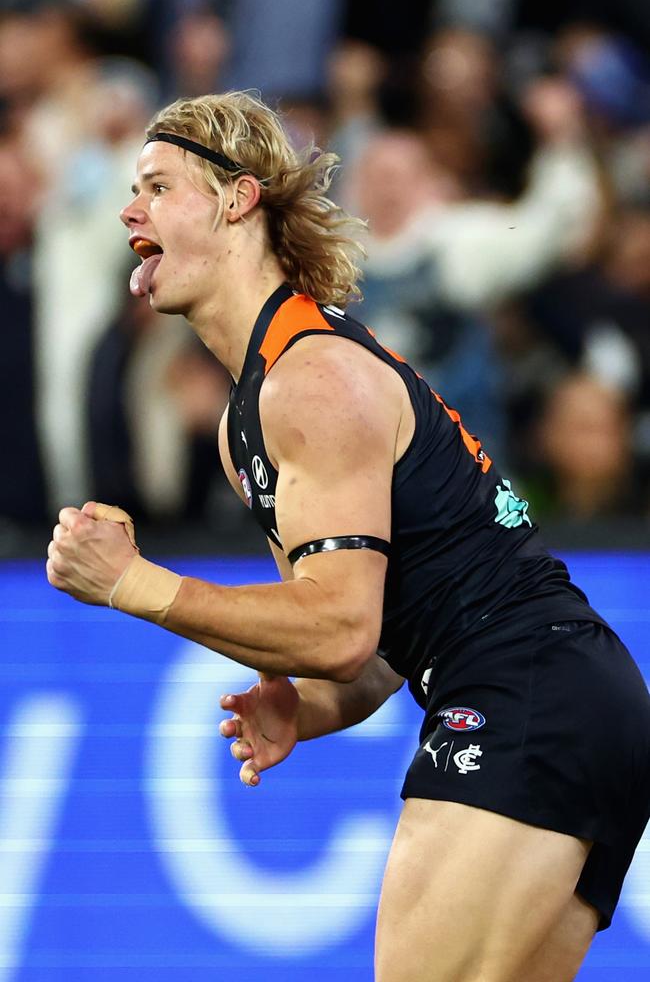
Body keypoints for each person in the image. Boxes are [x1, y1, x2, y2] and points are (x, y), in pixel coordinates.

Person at [46, 90, 650, 982]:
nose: (130, 210)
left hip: (527, 691)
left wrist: (132, 583)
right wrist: (311, 706)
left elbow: (338, 628)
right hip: (567, 693)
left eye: (158, 184)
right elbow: (361, 657)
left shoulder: (312, 381)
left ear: (237, 199)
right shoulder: (248, 415)